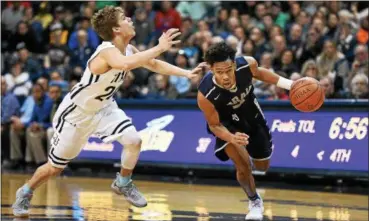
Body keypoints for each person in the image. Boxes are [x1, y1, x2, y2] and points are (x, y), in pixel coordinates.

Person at [12, 6, 204, 217]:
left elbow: (152, 64)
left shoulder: (129, 49)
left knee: (134, 140)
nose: (130, 18)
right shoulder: (105, 52)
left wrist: (186, 73)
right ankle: (26, 191)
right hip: (78, 114)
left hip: (105, 107)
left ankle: (123, 182)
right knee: (55, 168)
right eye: (124, 18)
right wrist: (159, 46)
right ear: (116, 29)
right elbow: (123, 64)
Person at [197, 42, 294, 220]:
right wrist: (231, 138)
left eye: (228, 70)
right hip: (226, 125)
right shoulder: (205, 95)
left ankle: (251, 164)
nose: (225, 76)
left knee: (262, 166)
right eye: (219, 72)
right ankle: (254, 201)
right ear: (211, 69)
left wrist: (291, 85)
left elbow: (261, 73)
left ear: (234, 64)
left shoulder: (247, 64)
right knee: (243, 166)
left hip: (252, 118)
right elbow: (214, 125)